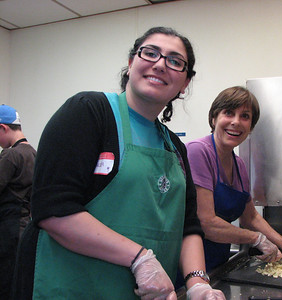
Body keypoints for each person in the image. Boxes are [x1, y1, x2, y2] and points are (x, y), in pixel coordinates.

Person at [11, 27, 225, 300]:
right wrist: (140, 259)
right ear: (131, 63)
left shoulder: (175, 148)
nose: (160, 64)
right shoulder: (88, 112)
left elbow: (189, 226)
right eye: (150, 53)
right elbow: (54, 209)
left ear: (185, 83)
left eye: (175, 61)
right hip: (71, 287)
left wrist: (197, 283)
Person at [186, 86, 282, 272]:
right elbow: (207, 223)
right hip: (188, 266)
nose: (236, 122)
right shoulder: (198, 152)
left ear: (250, 127)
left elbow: (251, 217)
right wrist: (256, 239)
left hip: (218, 263)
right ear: (214, 118)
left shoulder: (239, 164)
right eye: (228, 113)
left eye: (245, 116)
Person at [0, 104, 36, 300]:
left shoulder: (11, 155)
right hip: (24, 228)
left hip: (8, 228)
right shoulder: (33, 153)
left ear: (4, 128)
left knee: (5, 281)